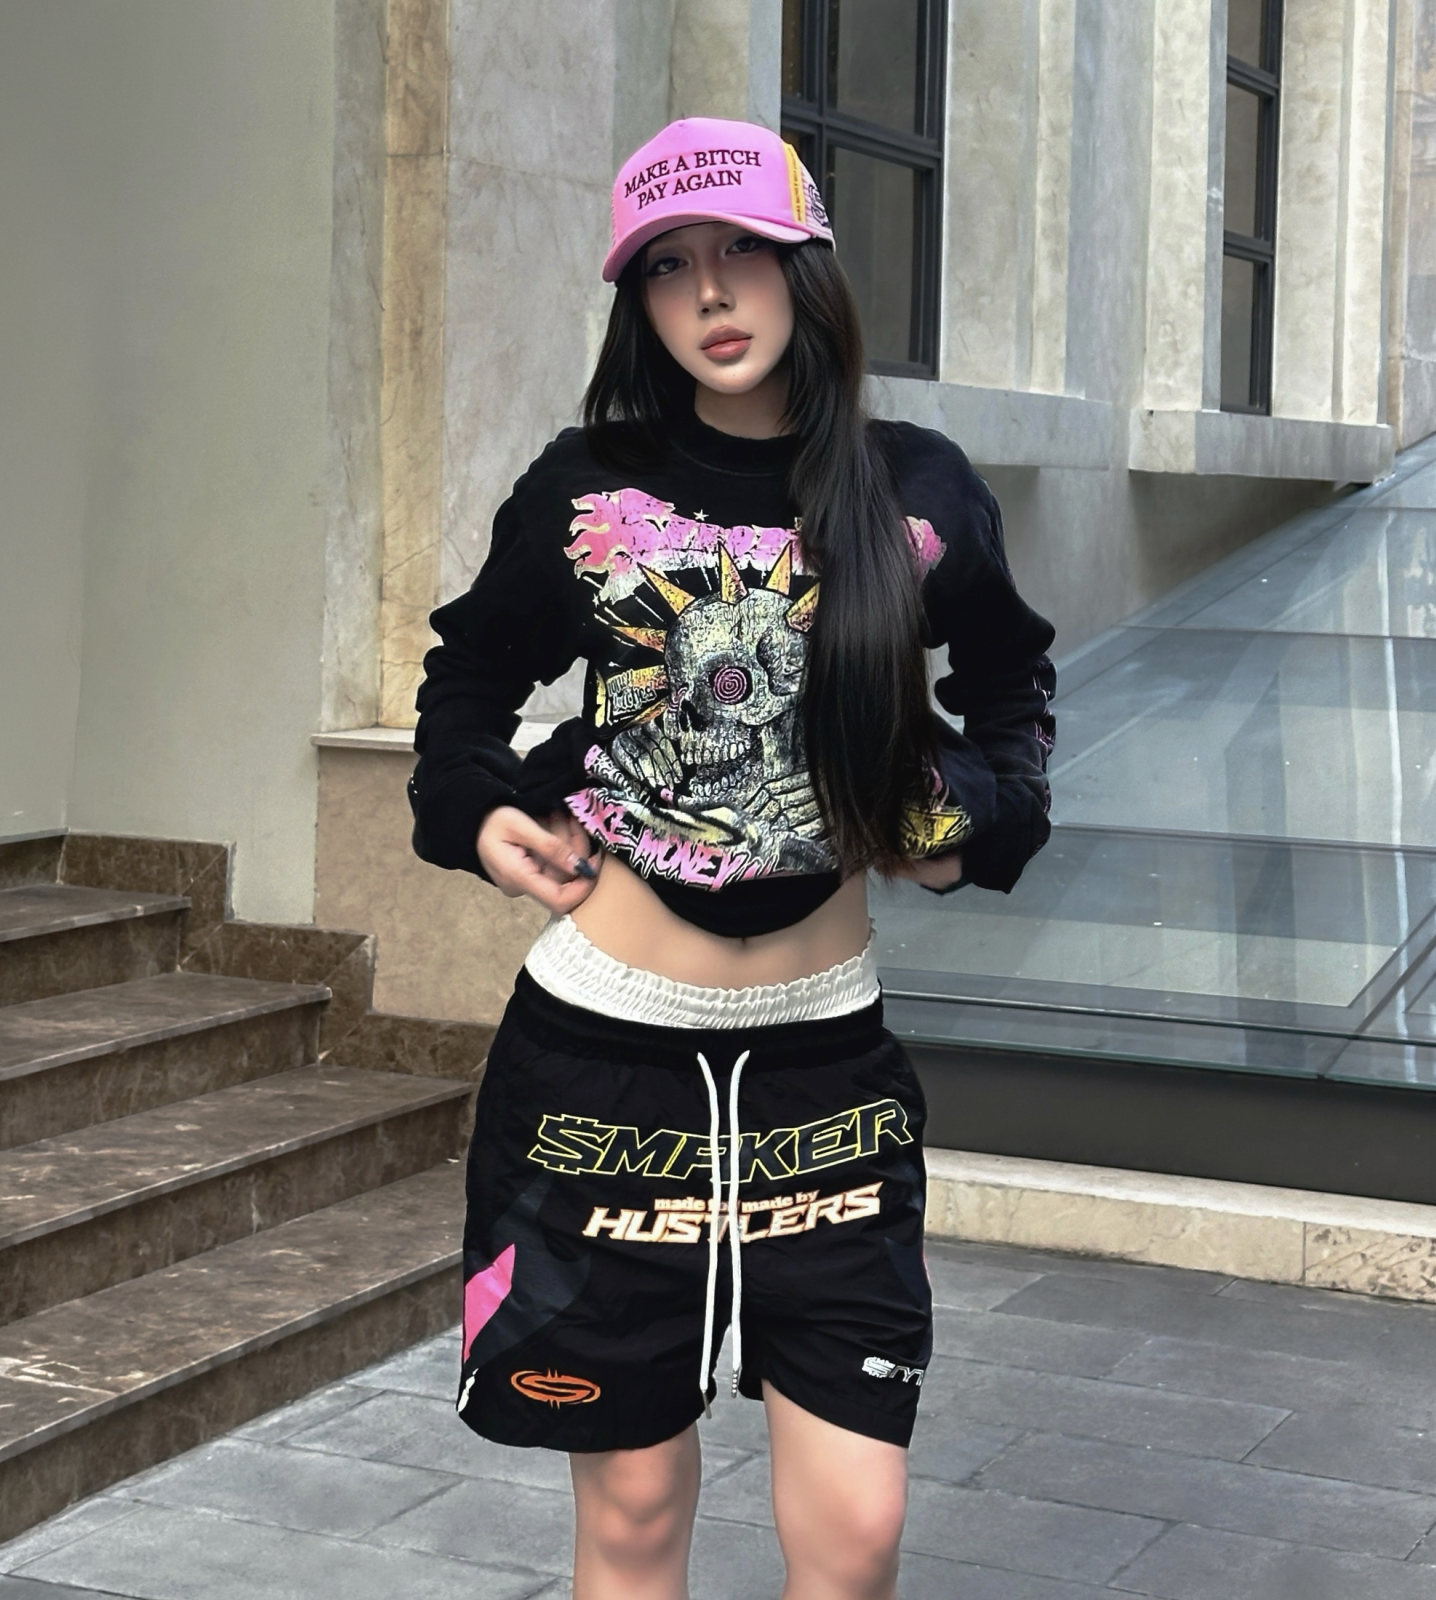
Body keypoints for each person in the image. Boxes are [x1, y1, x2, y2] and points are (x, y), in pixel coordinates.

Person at [409, 116, 1056, 1600]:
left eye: (743, 253)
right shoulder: (586, 486)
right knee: (634, 1515)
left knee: (858, 1534)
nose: (709, 293)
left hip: (826, 1078)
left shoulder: (918, 489)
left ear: (805, 267)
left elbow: (1012, 683)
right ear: (636, 301)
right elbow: (471, 674)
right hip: (598, 1066)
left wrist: (971, 819)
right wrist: (475, 807)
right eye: (669, 267)